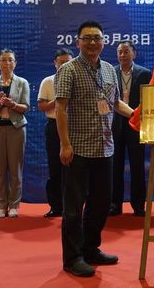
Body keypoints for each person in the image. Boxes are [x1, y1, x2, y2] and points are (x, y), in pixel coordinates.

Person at [55, 20, 134, 278]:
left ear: (103, 42)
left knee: (101, 204)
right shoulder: (68, 70)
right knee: (73, 208)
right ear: (78, 42)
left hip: (105, 148)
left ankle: (90, 249)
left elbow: (115, 103)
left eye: (97, 38)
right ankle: (72, 258)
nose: (92, 42)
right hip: (77, 149)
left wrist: (137, 115)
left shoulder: (110, 70)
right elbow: (60, 109)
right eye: (87, 38)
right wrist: (65, 144)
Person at [0, 48, 30, 218]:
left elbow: (25, 107)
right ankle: (2, 206)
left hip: (16, 129)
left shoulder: (22, 82)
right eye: (3, 60)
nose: (7, 63)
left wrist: (12, 104)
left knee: (16, 169)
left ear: (15, 63)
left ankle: (14, 205)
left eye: (10, 60)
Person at [108, 40, 152, 217]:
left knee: (137, 166)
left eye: (126, 52)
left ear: (134, 53)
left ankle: (138, 205)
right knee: (115, 167)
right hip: (115, 125)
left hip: (137, 125)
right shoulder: (111, 72)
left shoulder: (145, 74)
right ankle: (115, 204)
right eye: (120, 52)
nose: (123, 55)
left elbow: (149, 100)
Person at [38, 47, 74, 218]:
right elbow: (42, 106)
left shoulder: (78, 79)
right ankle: (56, 206)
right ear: (55, 64)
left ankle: (73, 206)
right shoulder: (48, 81)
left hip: (75, 127)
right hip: (54, 127)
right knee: (55, 167)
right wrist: (58, 99)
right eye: (61, 63)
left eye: (68, 62)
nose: (65, 65)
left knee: (75, 168)